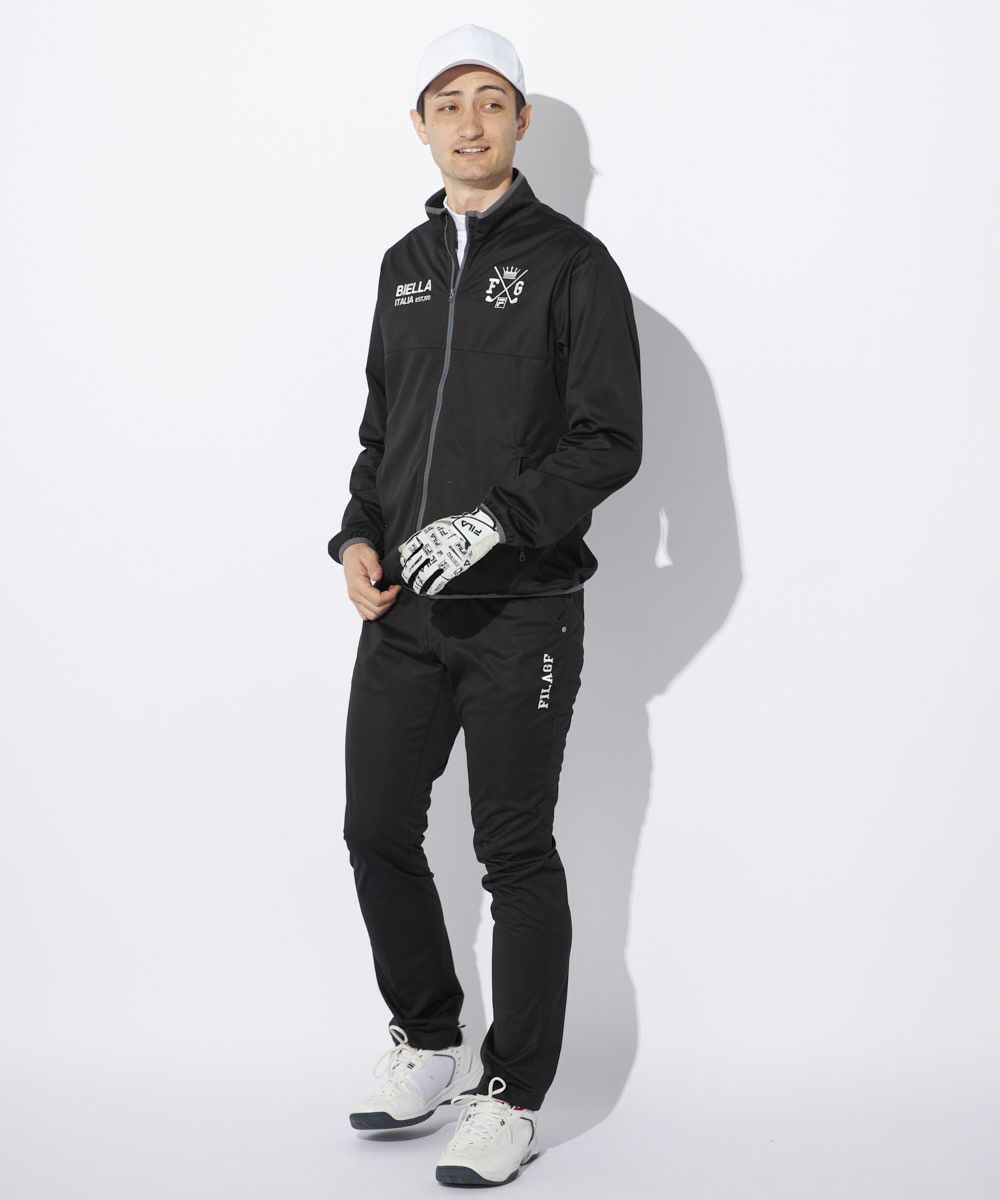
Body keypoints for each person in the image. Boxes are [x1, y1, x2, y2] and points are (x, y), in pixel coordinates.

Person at [329, 23, 642, 1187]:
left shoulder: (573, 265)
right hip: (404, 614)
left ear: (521, 122)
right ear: (420, 125)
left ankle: (511, 1097)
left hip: (521, 611)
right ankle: (425, 1040)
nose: (470, 122)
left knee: (513, 850)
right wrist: (357, 535)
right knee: (373, 829)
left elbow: (608, 439)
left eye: (492, 101)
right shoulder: (402, 264)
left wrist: (497, 521)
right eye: (448, 103)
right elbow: (383, 431)